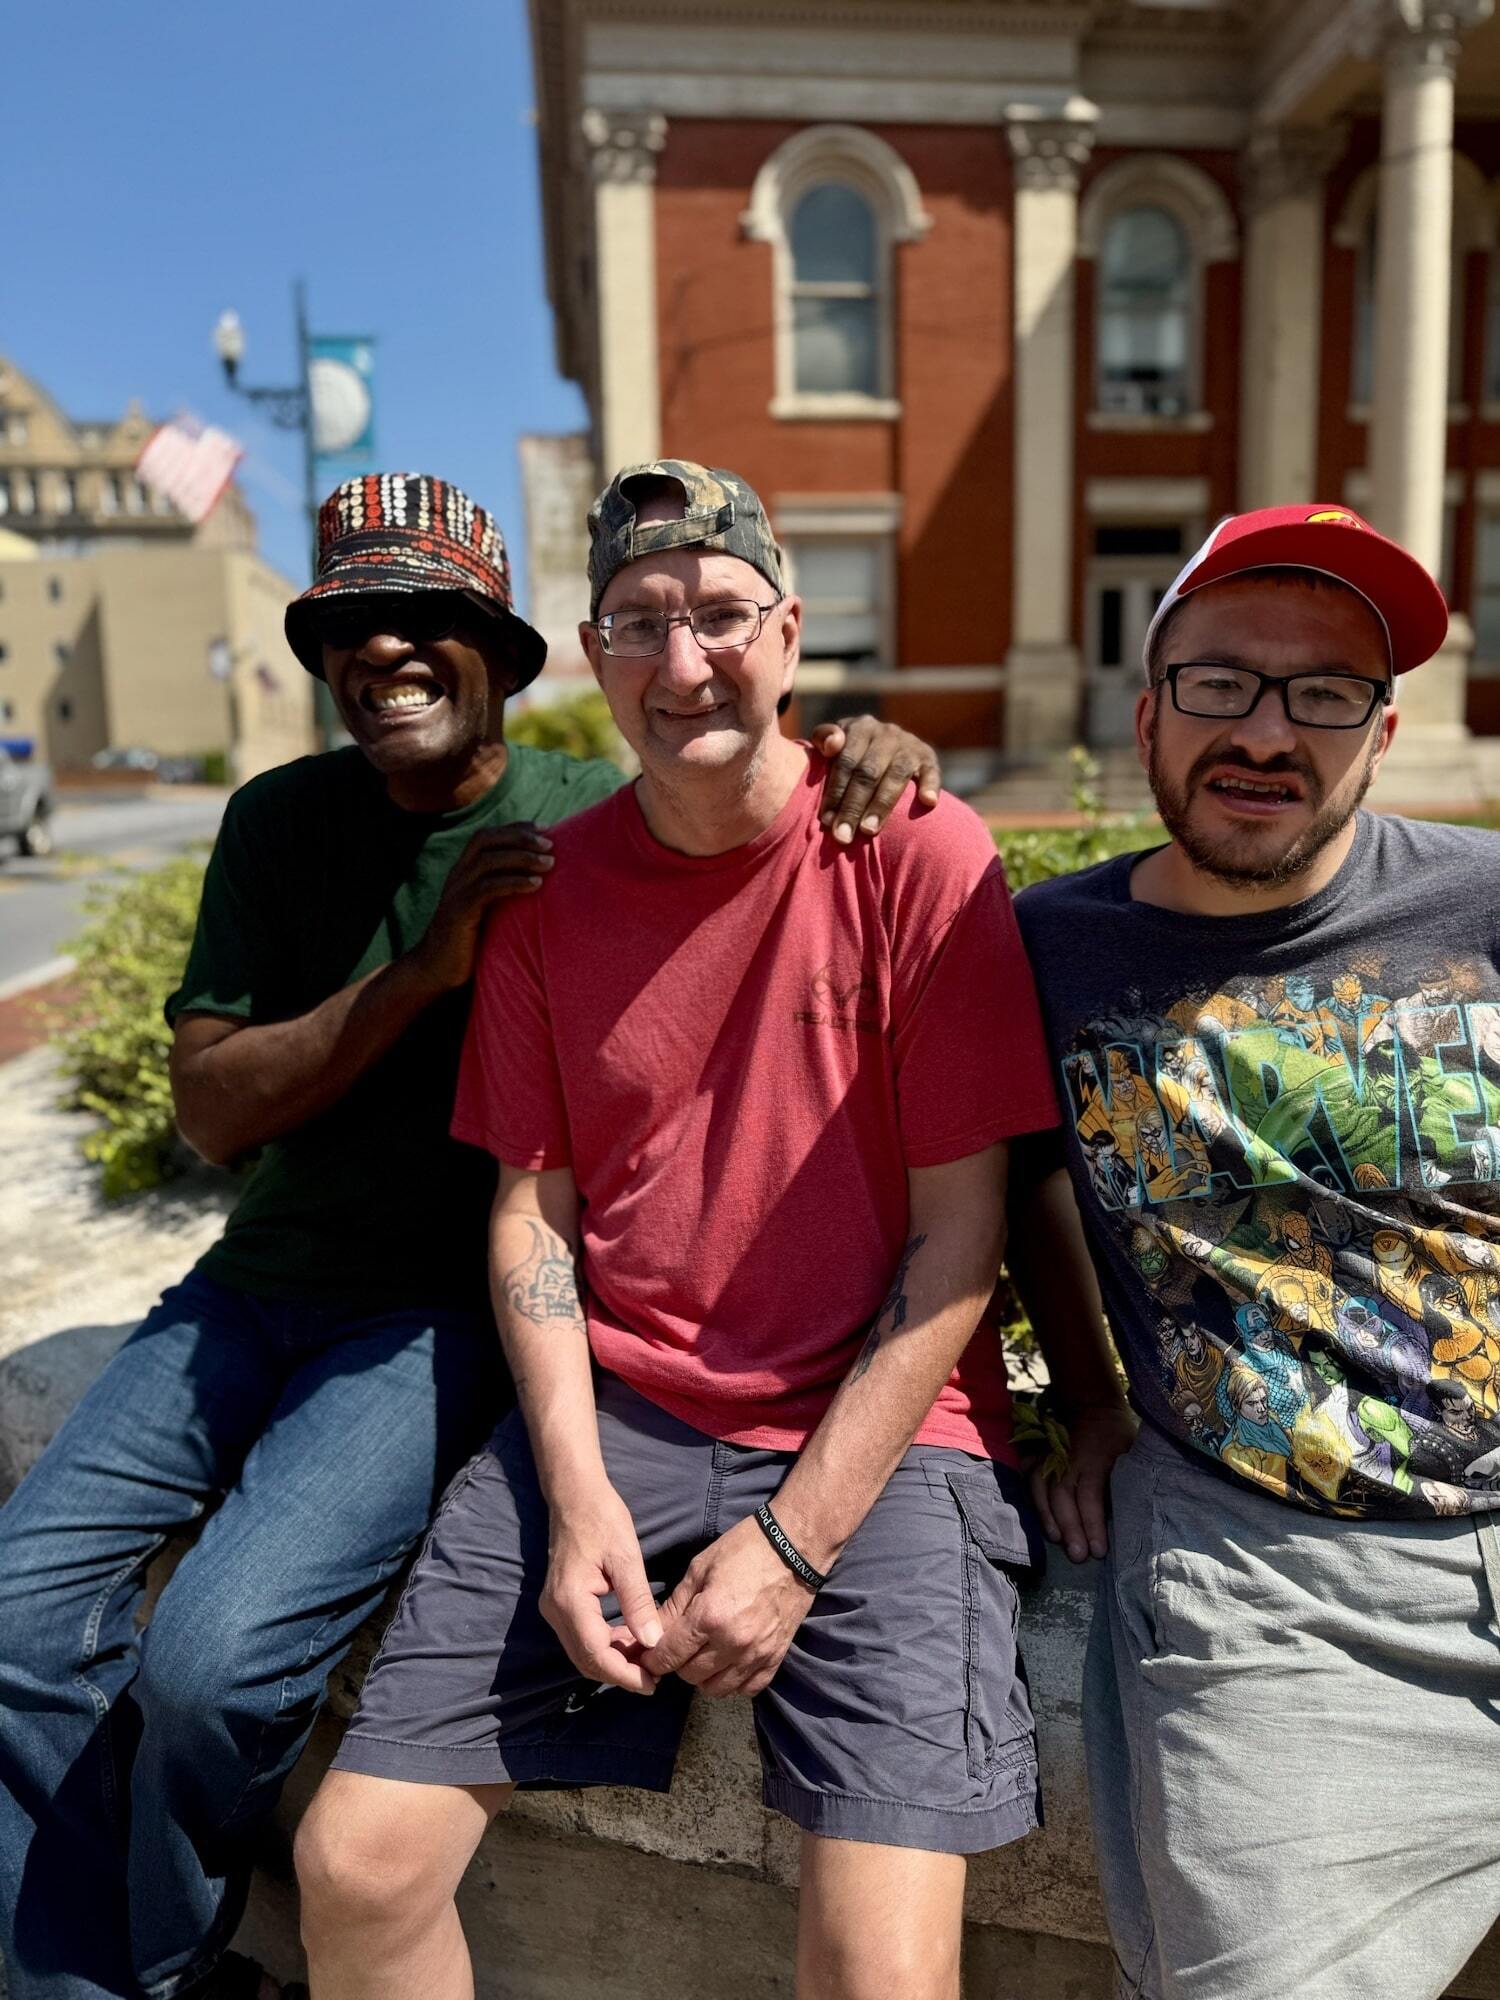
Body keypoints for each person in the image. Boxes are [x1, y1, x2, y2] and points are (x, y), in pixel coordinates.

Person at [0, 470, 939, 2000]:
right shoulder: (279, 821)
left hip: (437, 1321)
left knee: (210, 1665)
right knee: (15, 1607)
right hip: (249, 1290)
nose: (387, 656)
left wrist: (881, 753)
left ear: (507, 653)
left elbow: (766, 800)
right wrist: (426, 971)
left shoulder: (589, 817)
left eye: (427, 621)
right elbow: (213, 1116)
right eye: (351, 630)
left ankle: (165, 1971)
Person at [292, 459, 1128, 2000]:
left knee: (878, 1970)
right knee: (354, 1862)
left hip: (891, 1436)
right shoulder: (545, 899)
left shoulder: (919, 859)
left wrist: (797, 1544)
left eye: (723, 615)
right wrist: (578, 1488)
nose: (686, 664)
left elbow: (964, 1240)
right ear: (597, 656)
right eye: (641, 623)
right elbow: (532, 1210)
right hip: (624, 1413)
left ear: (792, 632)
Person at [1015, 505, 1500, 2000]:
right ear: (1148, 708)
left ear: (1380, 728)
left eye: (1323, 694)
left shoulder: (1483, 902)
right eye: (1223, 682)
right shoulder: (1040, 950)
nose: (1268, 734)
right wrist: (1091, 1397)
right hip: (1283, 1593)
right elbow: (999, 1184)